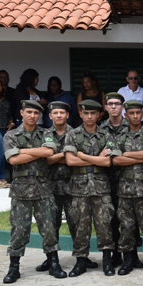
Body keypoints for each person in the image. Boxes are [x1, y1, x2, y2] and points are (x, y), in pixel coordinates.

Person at [2, 100, 63, 284]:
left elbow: (50, 149)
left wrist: (22, 152)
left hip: (43, 188)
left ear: (40, 116)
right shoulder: (11, 135)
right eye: (29, 112)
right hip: (21, 190)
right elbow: (12, 160)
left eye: (36, 113)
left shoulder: (46, 133)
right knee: (19, 230)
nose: (32, 116)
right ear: (21, 112)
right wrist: (40, 152)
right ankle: (14, 267)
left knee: (50, 228)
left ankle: (53, 263)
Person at [63, 99, 120, 277]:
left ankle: (107, 261)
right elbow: (70, 161)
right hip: (79, 188)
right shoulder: (72, 134)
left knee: (105, 225)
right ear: (80, 114)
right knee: (81, 226)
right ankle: (80, 262)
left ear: (98, 115)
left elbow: (108, 162)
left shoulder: (106, 136)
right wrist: (96, 158)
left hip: (101, 187)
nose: (89, 116)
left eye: (93, 113)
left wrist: (81, 154)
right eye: (86, 113)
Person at [38, 101, 95, 273]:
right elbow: (45, 160)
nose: (59, 116)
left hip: (72, 184)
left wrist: (56, 156)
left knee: (77, 223)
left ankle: (82, 258)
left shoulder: (76, 133)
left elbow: (78, 158)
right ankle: (51, 259)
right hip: (50, 185)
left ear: (67, 115)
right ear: (50, 116)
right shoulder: (44, 134)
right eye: (55, 113)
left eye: (62, 113)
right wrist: (67, 155)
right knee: (50, 224)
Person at [113, 99, 143, 275]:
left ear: (142, 114)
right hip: (125, 189)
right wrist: (139, 157)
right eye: (131, 113)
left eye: (138, 113)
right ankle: (128, 260)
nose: (134, 116)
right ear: (125, 114)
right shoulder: (119, 137)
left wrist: (126, 154)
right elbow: (115, 160)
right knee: (126, 226)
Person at [102, 92, 142, 269]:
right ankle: (116, 254)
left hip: (130, 181)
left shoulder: (132, 126)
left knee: (130, 220)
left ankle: (132, 255)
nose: (113, 107)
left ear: (122, 107)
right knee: (112, 220)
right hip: (108, 181)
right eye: (110, 103)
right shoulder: (101, 130)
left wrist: (123, 157)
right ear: (105, 107)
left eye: (117, 103)